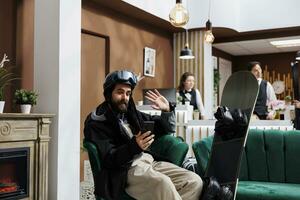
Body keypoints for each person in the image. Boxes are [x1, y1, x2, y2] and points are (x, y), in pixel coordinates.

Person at [84, 70, 203, 200]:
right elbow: (108, 159)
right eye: (120, 92)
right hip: (125, 171)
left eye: (128, 93)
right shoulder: (98, 121)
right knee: (163, 184)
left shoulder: (131, 113)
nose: (125, 97)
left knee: (194, 181)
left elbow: (162, 128)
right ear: (108, 93)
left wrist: (166, 110)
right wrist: (134, 146)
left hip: (149, 161)